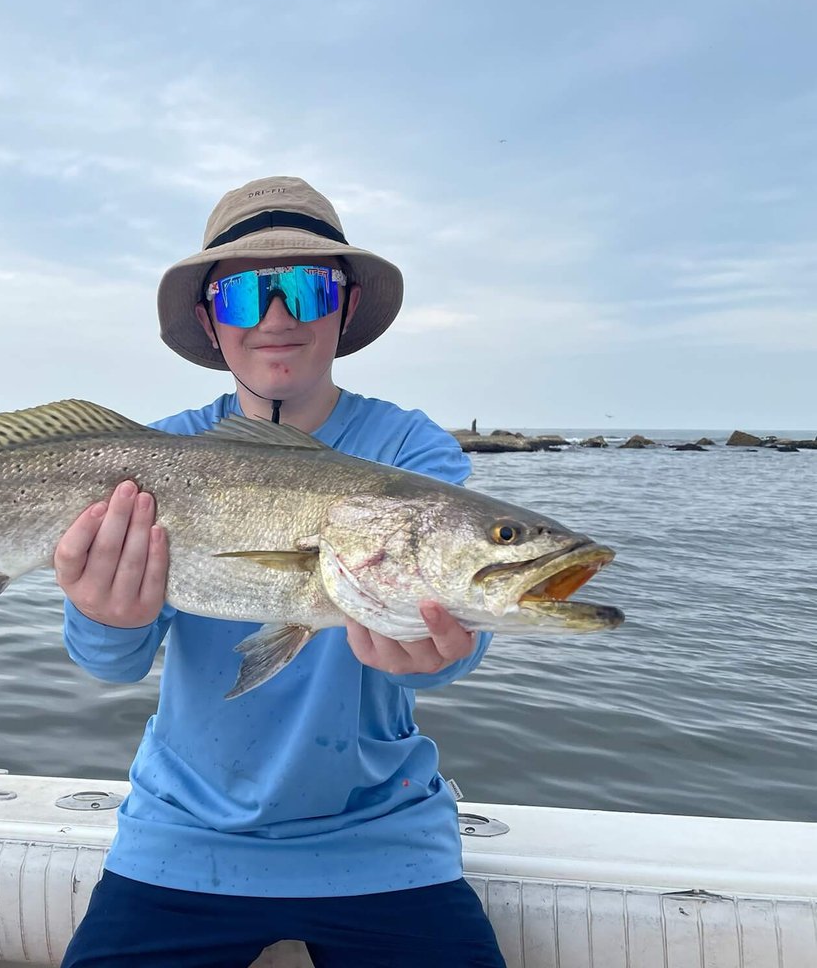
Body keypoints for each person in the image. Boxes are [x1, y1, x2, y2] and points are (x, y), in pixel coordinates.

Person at [54, 177, 505, 967]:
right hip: (179, 839)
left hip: (384, 841)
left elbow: (450, 645)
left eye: (305, 287)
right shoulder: (144, 459)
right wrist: (107, 618)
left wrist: (444, 649)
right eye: (242, 295)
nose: (275, 318)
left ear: (346, 305)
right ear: (208, 319)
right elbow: (110, 665)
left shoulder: (409, 450)